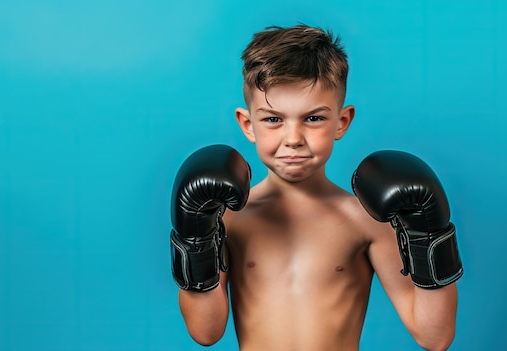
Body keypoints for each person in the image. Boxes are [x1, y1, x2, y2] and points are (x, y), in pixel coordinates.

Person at [169, 24, 463, 351]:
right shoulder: (229, 220)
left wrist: (428, 235)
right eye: (273, 119)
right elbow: (204, 332)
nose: (293, 139)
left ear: (342, 121)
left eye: (313, 119)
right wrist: (195, 237)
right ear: (247, 124)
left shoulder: (366, 220)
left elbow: (434, 336)